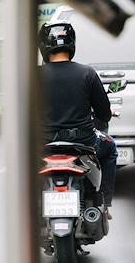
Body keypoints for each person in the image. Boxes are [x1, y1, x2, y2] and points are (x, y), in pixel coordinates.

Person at [39, 21, 117, 217]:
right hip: (83, 142)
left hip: (43, 144)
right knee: (110, 149)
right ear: (71, 44)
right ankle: (105, 203)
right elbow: (104, 114)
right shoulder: (87, 73)